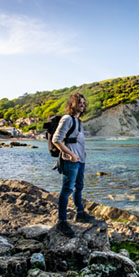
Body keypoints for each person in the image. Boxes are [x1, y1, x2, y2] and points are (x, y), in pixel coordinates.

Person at [52, 92, 95, 236]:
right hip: (71, 161)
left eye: (83, 103)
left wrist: (82, 153)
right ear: (72, 104)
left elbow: (76, 140)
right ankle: (61, 222)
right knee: (67, 190)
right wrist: (71, 155)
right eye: (79, 102)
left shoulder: (79, 121)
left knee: (79, 187)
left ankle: (80, 213)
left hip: (79, 160)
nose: (82, 105)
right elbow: (56, 140)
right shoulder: (67, 119)